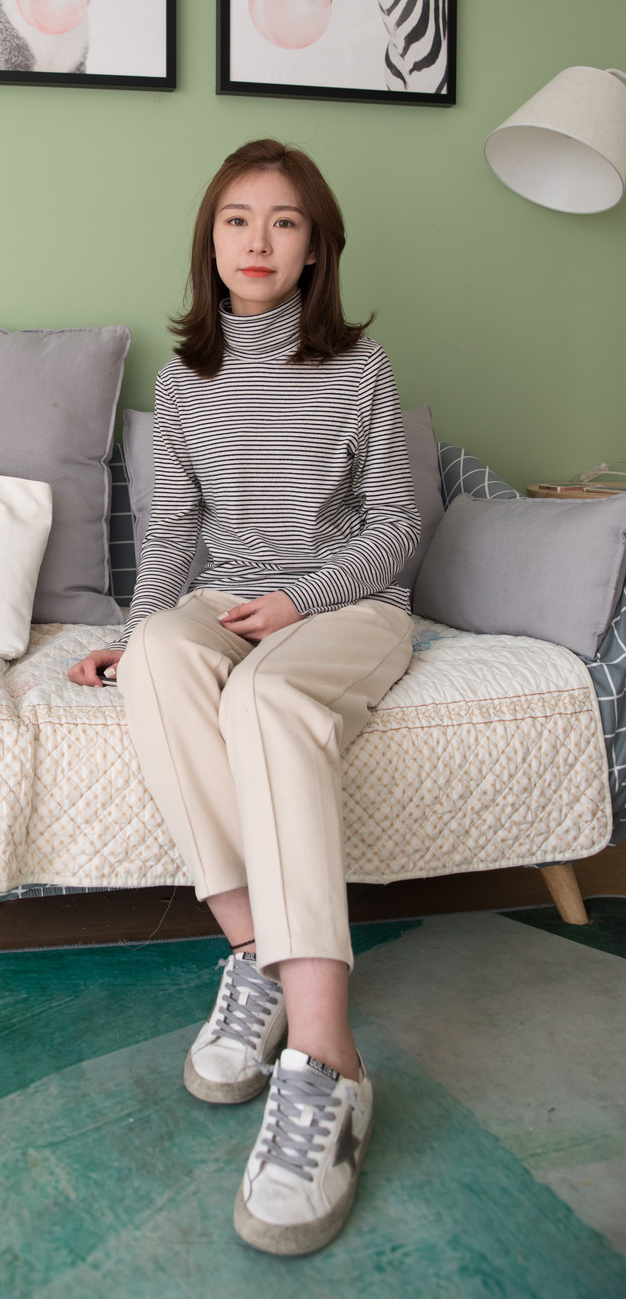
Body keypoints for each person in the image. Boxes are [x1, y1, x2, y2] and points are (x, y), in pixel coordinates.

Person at [69, 138, 419, 1257]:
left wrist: (302, 598)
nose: (257, 240)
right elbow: (173, 534)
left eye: (282, 221)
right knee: (162, 661)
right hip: (224, 601)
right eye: (236, 220)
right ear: (210, 243)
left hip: (346, 607)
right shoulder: (185, 382)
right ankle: (257, 955)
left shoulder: (362, 368)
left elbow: (399, 525)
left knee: (265, 703)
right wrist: (136, 633)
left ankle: (327, 1059)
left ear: (316, 248)